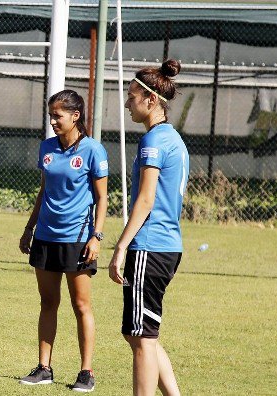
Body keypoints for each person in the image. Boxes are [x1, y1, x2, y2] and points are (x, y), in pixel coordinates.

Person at [18, 90, 109, 392]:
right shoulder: (46, 147)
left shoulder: (93, 150)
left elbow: (102, 198)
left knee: (81, 305)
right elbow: (43, 192)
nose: (53, 122)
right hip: (45, 237)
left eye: (57, 116)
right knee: (48, 302)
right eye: (51, 116)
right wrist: (29, 228)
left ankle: (86, 372)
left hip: (78, 240)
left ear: (75, 116)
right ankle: (44, 368)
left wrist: (96, 237)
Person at [108, 59, 189, 396]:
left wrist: (121, 246)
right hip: (168, 247)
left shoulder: (153, 141)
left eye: (131, 97)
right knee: (140, 332)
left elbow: (145, 200)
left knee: (142, 337)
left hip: (150, 246)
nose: (128, 103)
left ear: (151, 100)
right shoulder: (173, 138)